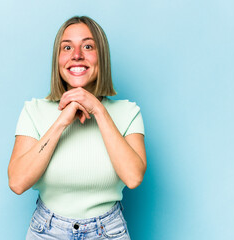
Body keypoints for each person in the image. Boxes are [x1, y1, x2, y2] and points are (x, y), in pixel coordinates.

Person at [8, 16, 146, 240]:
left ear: (102, 57)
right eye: (67, 47)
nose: (77, 55)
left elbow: (133, 177)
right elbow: (17, 182)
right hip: (47, 232)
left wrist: (99, 110)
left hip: (108, 232)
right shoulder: (33, 110)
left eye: (88, 46)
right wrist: (62, 120)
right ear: (58, 59)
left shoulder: (128, 112)